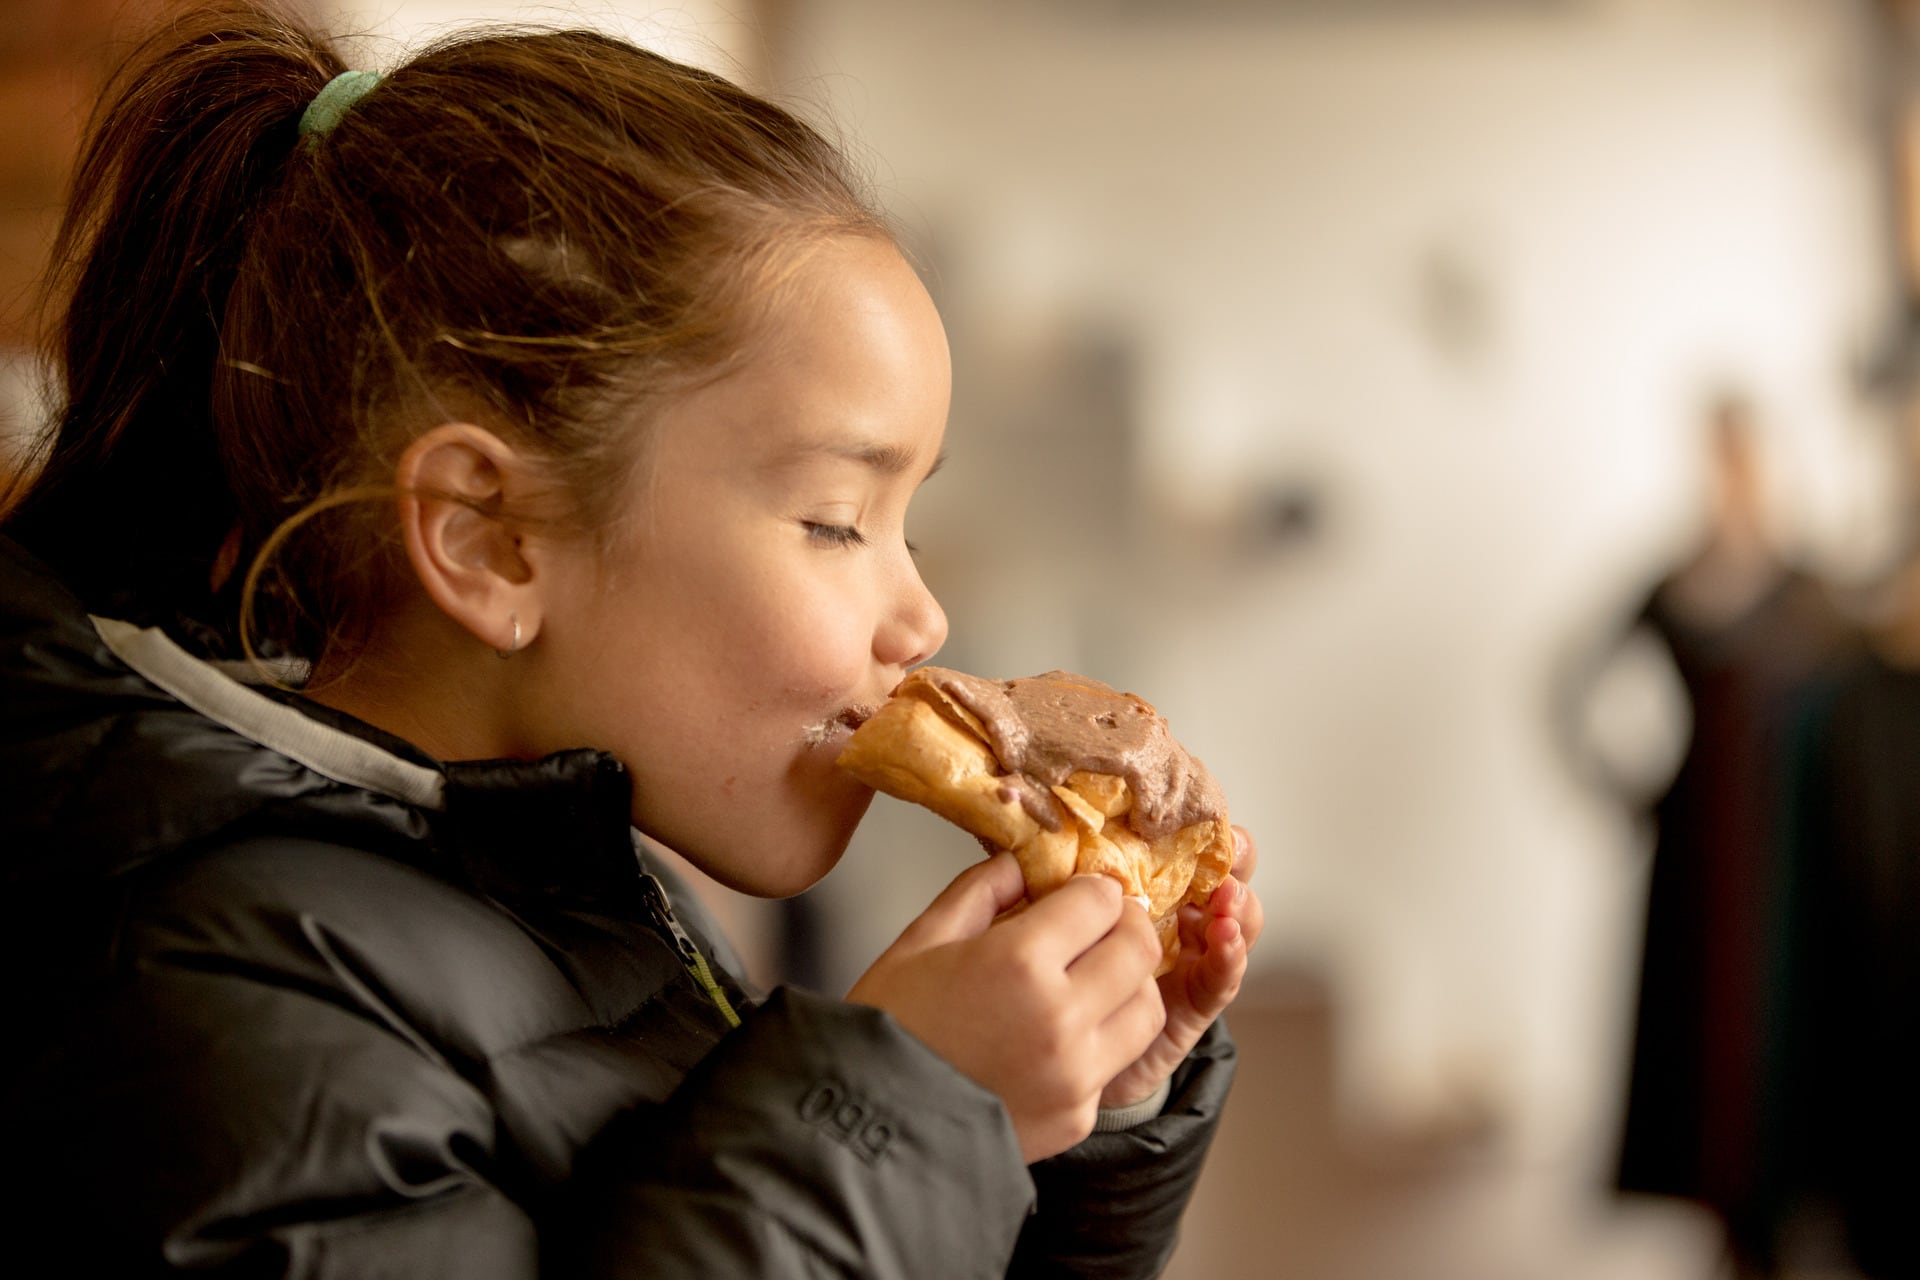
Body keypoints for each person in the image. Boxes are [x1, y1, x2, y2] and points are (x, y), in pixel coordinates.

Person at [0, 2, 1263, 1275]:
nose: (924, 619)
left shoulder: (575, 883)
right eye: (835, 520)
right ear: (489, 537)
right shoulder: (209, 986)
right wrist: (899, 1111)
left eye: (907, 523)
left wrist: (1085, 1121)